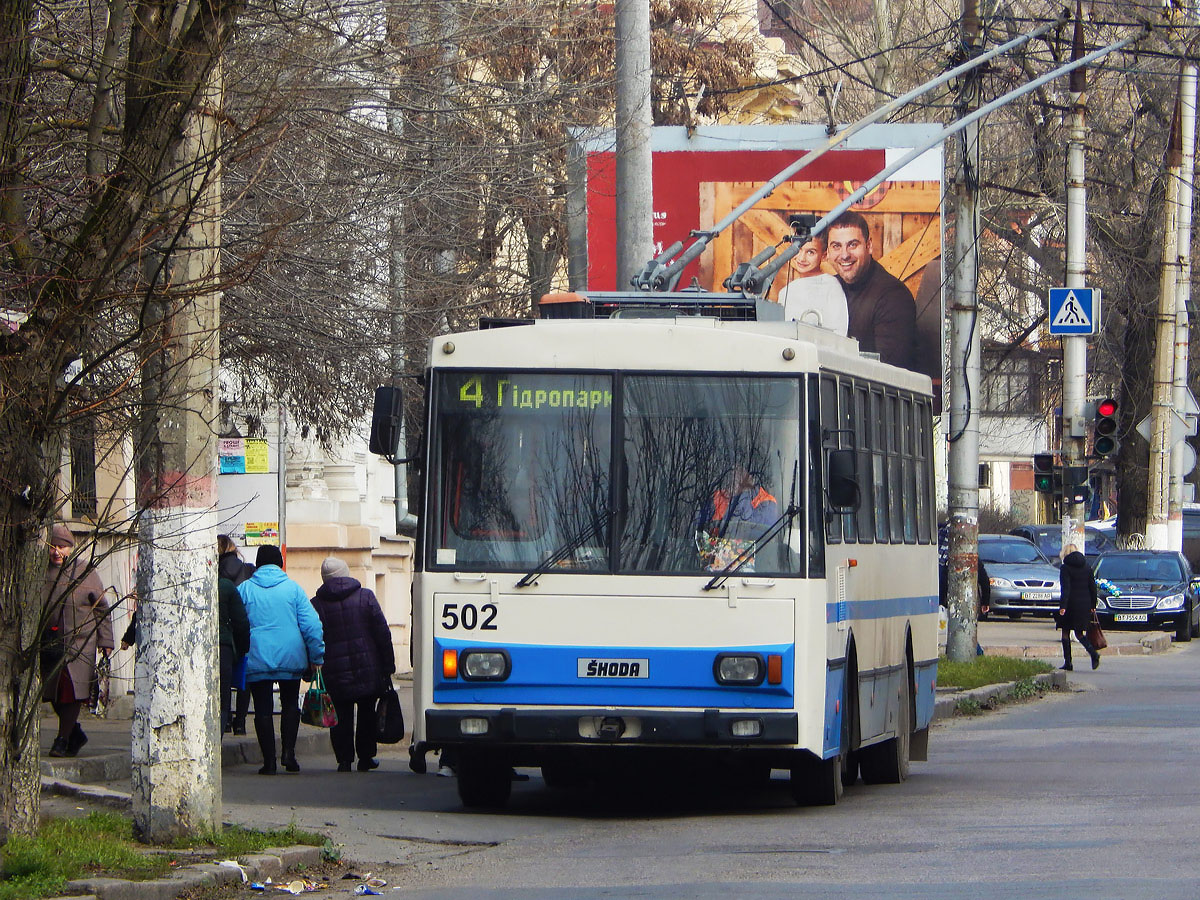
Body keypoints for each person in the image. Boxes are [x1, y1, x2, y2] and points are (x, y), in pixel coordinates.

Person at [238, 544, 325, 774]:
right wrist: (317, 656)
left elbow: (237, 623)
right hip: (290, 656)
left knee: (262, 710)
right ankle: (289, 754)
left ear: (257, 563)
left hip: (257, 657)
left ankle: (269, 762)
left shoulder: (245, 590)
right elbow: (312, 626)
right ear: (280, 563)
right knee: (289, 705)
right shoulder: (293, 589)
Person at [310, 557, 396, 772]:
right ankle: (366, 757)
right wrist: (388, 665)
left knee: (340, 714)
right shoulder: (365, 597)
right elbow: (382, 633)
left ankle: (344, 759)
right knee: (367, 712)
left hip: (334, 671)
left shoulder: (316, 604)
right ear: (346, 573)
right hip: (367, 666)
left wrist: (309, 668)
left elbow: (312, 637)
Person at [43, 524, 114, 758]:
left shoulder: (85, 572)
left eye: (61, 547)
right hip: (50, 643)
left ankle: (62, 740)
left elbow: (102, 609)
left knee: (71, 692)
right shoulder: (40, 573)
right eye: (53, 547)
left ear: (70, 549)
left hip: (80, 644)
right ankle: (75, 733)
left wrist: (106, 641)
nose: (56, 552)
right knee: (51, 692)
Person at [825, 210, 918, 370]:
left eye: (853, 244)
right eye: (836, 246)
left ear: (868, 246)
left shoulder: (894, 297)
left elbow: (889, 373)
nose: (844, 255)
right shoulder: (828, 288)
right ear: (827, 252)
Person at [695, 465, 778, 571]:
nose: (736, 476)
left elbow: (754, 533)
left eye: (741, 472)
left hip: (757, 572)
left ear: (751, 477)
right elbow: (699, 531)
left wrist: (743, 494)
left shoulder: (766, 501)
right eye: (732, 472)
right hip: (713, 568)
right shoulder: (716, 497)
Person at [219, 535, 255, 734]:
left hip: (223, 634)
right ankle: (240, 722)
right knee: (244, 677)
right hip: (244, 627)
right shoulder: (248, 569)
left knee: (222, 682)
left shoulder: (213, 573)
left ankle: (225, 720)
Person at [778, 232, 848, 335]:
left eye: (810, 252)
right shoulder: (786, 291)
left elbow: (839, 332)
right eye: (799, 249)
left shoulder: (830, 286)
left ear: (824, 255)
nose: (801, 258)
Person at [1056, 544, 1100, 671]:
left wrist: (1063, 606)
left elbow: (1066, 588)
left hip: (1070, 604)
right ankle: (1093, 654)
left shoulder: (1065, 568)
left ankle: (1068, 663)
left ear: (1065, 553)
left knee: (1065, 632)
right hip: (1084, 604)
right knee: (1079, 633)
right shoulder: (1087, 567)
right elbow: (1093, 587)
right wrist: (1093, 605)